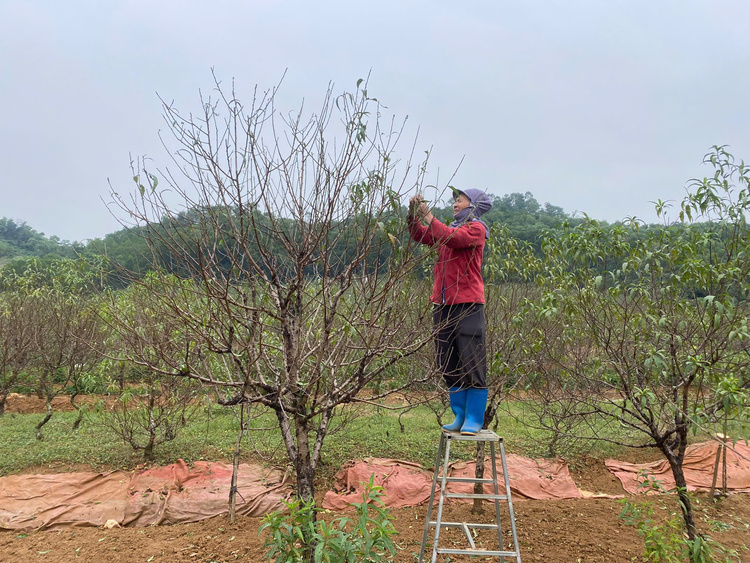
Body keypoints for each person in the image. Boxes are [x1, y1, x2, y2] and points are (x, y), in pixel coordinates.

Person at [408, 188, 492, 435]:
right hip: (443, 305)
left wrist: (430, 217)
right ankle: (460, 415)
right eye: (455, 200)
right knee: (447, 361)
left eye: (460, 200)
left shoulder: (476, 229)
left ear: (473, 205)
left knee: (472, 361)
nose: (455, 204)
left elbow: (453, 238)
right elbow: (421, 235)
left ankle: (475, 419)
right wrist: (413, 215)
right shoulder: (448, 230)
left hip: (468, 306)